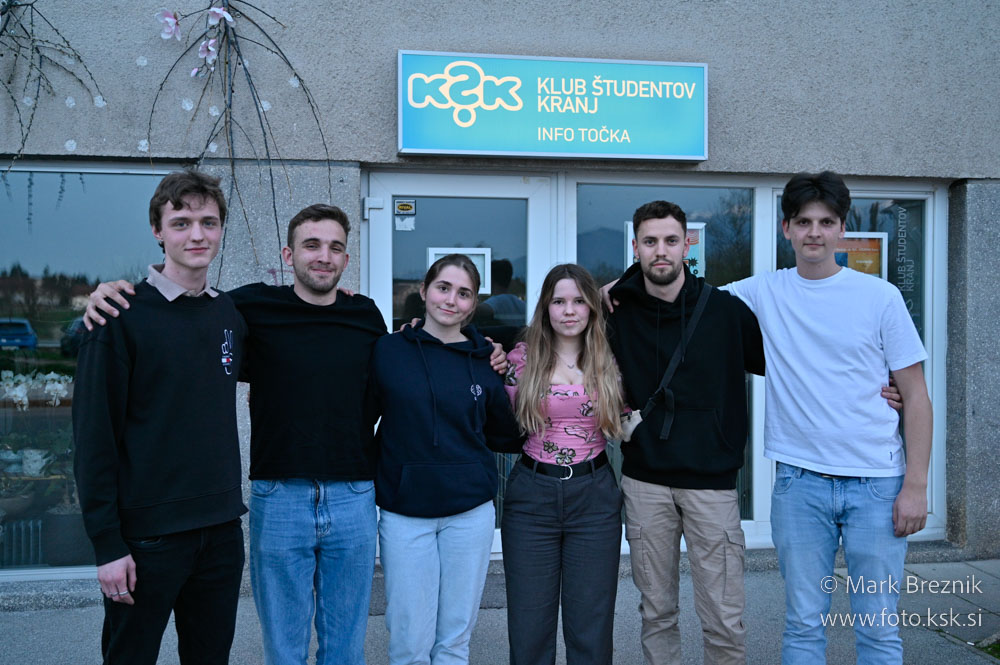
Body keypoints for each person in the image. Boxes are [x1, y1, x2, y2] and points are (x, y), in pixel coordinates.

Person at [723, 172, 932, 664]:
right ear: (786, 229)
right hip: (800, 484)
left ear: (842, 229)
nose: (814, 232)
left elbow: (916, 396)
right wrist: (619, 289)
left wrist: (916, 487)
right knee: (802, 624)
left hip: (877, 485)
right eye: (803, 222)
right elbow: (685, 299)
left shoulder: (880, 297)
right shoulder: (763, 291)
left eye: (825, 222)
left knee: (878, 628)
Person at [73, 169, 248, 664]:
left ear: (221, 229)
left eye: (209, 222)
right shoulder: (118, 315)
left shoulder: (229, 313)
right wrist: (107, 545)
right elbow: (93, 439)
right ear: (157, 230)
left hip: (221, 531)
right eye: (181, 223)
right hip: (146, 539)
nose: (197, 235)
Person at [605, 200, 765, 665]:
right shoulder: (617, 312)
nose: (661, 251)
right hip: (645, 482)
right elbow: (555, 332)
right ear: (635, 247)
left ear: (687, 245)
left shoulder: (725, 311)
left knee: (724, 618)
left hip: (711, 484)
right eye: (650, 241)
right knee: (657, 613)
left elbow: (788, 362)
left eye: (671, 240)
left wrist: (882, 382)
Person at [370, 254, 524, 665]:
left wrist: (512, 376)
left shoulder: (485, 359)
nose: (451, 300)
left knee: (455, 640)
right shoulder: (388, 350)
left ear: (473, 304)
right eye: (443, 288)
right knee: (409, 640)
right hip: (406, 513)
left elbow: (505, 435)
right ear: (424, 291)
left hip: (469, 514)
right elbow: (362, 417)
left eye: (464, 293)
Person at [501, 263, 626, 665]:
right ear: (545, 307)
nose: (569, 310)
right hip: (532, 496)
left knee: (591, 625)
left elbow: (656, 290)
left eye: (579, 301)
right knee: (529, 626)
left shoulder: (612, 357)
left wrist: (620, 284)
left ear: (592, 307)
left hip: (595, 497)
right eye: (558, 301)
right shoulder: (520, 358)